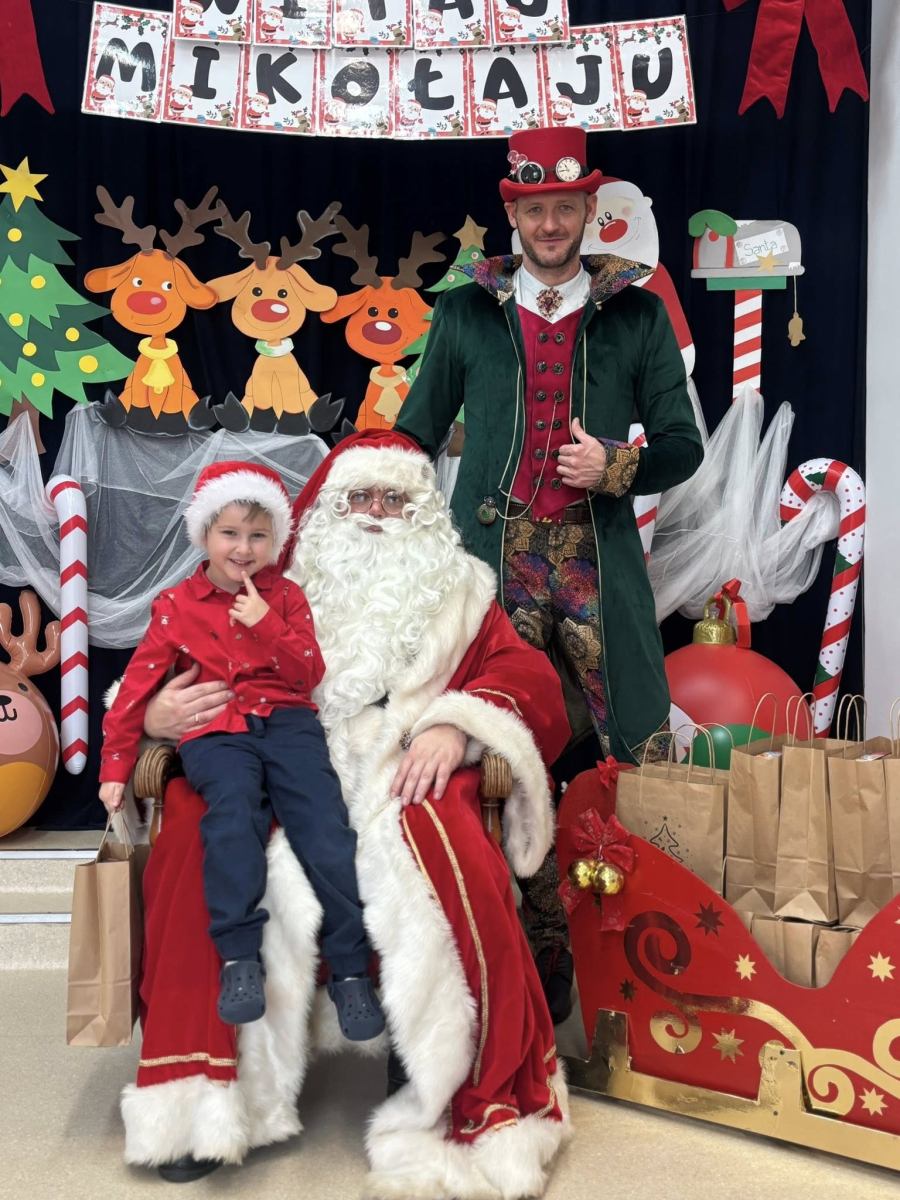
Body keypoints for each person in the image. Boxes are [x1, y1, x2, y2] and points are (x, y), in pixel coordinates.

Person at [118, 430, 572, 1197]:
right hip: (280, 747)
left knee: (444, 835)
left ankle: (457, 1095)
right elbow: (172, 659)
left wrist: (456, 724)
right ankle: (201, 1099)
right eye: (358, 496)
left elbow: (523, 674)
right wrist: (158, 714)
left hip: (405, 754)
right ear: (327, 509)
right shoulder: (272, 582)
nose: (375, 513)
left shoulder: (460, 592)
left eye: (394, 498)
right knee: (199, 827)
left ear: (422, 511)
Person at [395, 125, 704, 1022]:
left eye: (566, 208)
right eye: (536, 210)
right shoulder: (465, 313)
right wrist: (367, 502)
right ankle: (534, 950)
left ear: (588, 210)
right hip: (494, 573)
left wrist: (615, 465)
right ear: (515, 213)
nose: (552, 225)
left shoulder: (637, 315)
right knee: (499, 760)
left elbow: (682, 445)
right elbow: (415, 432)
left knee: (637, 755)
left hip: (598, 568)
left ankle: (649, 958)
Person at [99, 460, 384, 1037]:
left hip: (289, 726)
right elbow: (135, 691)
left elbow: (307, 674)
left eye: (258, 535)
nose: (244, 548)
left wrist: (266, 623)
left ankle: (352, 971)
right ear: (204, 534)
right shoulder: (176, 605)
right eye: (229, 533)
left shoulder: (287, 597)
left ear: (275, 539)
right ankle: (238, 960)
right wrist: (115, 766)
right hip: (217, 734)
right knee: (231, 816)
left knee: (325, 829)